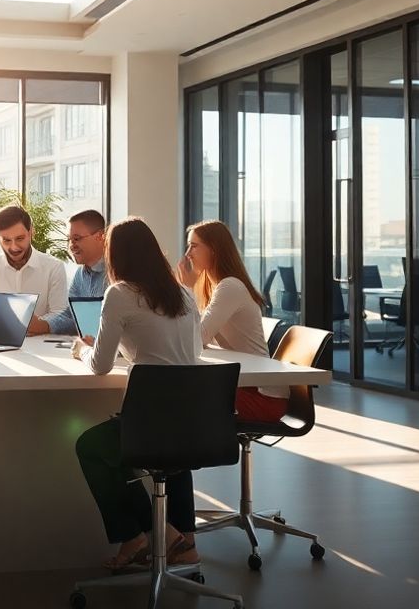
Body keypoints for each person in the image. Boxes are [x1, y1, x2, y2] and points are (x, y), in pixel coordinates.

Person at [71, 217, 204, 570]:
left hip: (147, 426)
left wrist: (80, 350)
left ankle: (144, 534)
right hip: (193, 424)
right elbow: (192, 353)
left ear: (117, 256)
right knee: (173, 455)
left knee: (91, 446)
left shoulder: (120, 293)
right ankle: (185, 542)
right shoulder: (184, 294)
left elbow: (98, 365)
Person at [175, 219, 284, 422]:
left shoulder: (230, 286)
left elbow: (198, 337)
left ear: (214, 249)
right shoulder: (216, 286)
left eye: (194, 246)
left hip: (262, 396)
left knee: (179, 399)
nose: (188, 253)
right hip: (243, 385)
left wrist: (186, 290)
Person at [0, 205, 68, 337]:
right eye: (6, 240)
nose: (14, 247)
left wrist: (41, 325)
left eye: (20, 239)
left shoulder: (54, 267)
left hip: (41, 348)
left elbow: (61, 314)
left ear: (31, 233)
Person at [48, 209, 109, 335]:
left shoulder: (117, 273)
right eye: (69, 240)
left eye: (77, 238)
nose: (71, 245)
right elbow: (71, 316)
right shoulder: (80, 275)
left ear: (100, 236)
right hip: (91, 349)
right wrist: (43, 325)